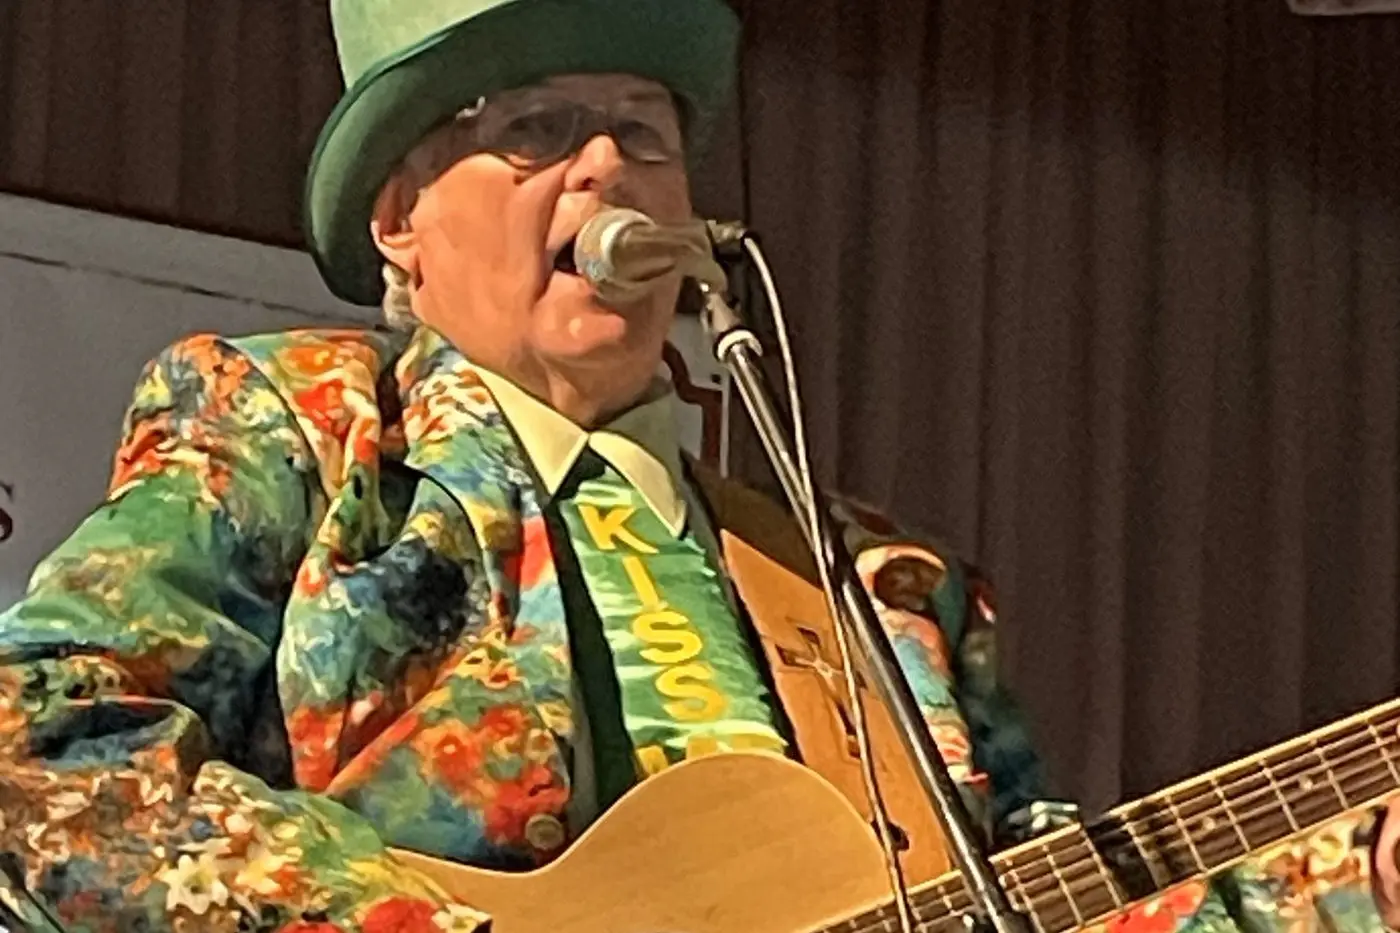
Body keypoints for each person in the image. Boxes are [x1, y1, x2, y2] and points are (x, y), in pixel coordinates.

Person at [0, 2, 1393, 933]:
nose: (608, 164)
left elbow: (1050, 897)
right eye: (536, 127)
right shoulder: (300, 432)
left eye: (645, 132)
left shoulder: (880, 591)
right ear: (402, 220)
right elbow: (36, 745)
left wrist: (1352, 880)